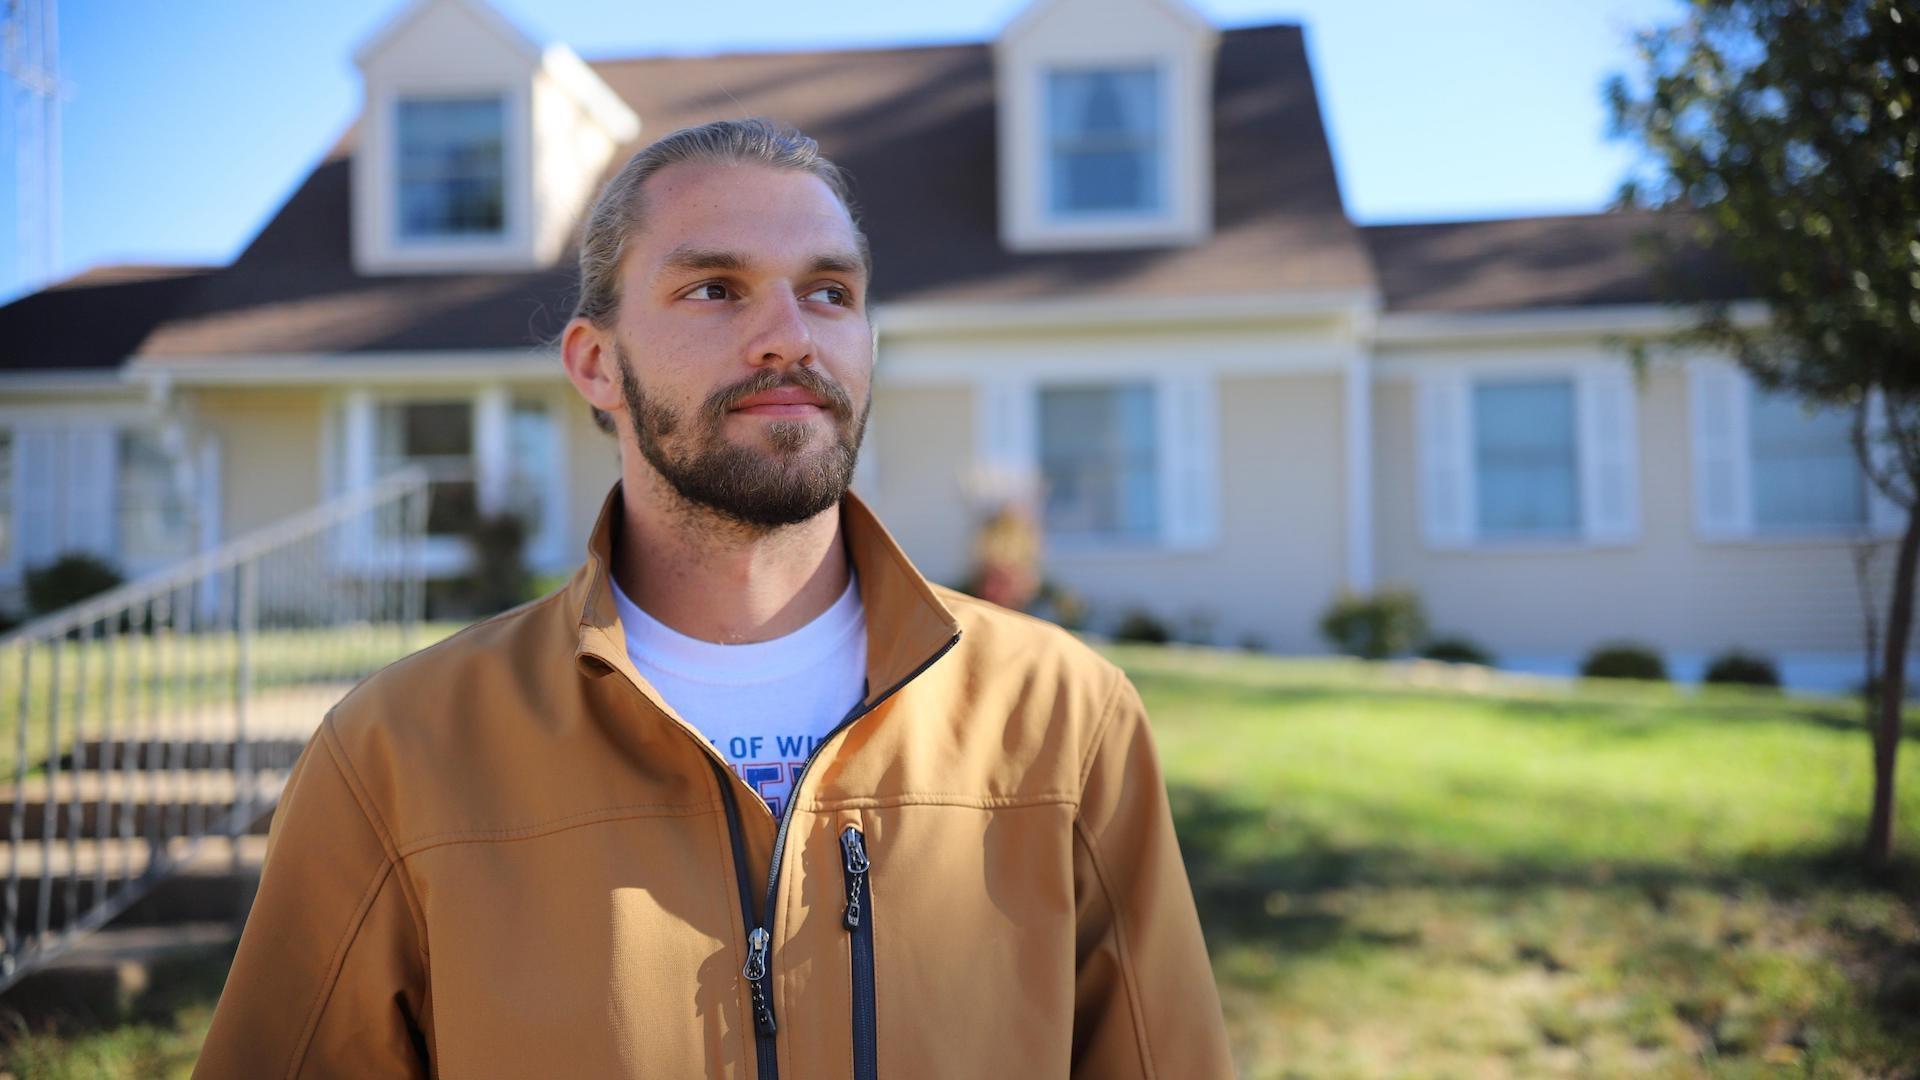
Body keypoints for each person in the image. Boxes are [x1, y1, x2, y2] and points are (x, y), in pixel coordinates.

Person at [193, 117, 1232, 1079]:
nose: (792, 336)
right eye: (716, 290)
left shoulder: (1062, 716)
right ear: (596, 364)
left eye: (831, 292)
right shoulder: (400, 751)